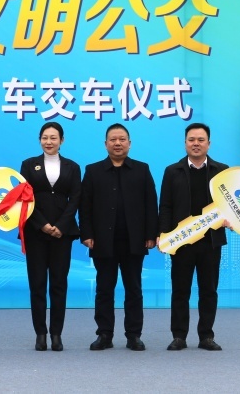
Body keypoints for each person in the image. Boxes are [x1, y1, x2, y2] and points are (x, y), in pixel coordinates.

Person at [79, 123, 158, 352]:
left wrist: (151, 234)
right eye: (113, 139)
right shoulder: (93, 171)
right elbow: (85, 206)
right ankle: (104, 334)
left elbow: (151, 204)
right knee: (104, 289)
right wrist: (87, 234)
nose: (117, 143)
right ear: (105, 144)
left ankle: (134, 335)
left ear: (129, 144)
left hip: (134, 240)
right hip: (103, 241)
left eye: (122, 139)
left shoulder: (142, 169)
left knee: (134, 289)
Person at [158, 122, 229, 352]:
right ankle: (179, 336)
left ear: (209, 143)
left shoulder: (221, 171)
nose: (196, 144)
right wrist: (163, 234)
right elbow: (165, 206)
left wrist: (232, 220)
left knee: (209, 290)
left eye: (200, 140)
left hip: (211, 242)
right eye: (191, 140)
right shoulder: (173, 171)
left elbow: (230, 205)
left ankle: (206, 336)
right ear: (185, 143)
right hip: (182, 242)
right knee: (180, 290)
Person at [19, 122, 81, 352]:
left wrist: (60, 226)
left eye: (53, 138)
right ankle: (40, 334)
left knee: (58, 284)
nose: (49, 142)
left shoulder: (73, 167)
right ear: (39, 140)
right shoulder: (28, 165)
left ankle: (56, 334)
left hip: (62, 234)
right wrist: (43, 224)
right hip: (35, 232)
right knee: (37, 285)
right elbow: (24, 197)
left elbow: (76, 199)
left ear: (61, 140)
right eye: (45, 137)